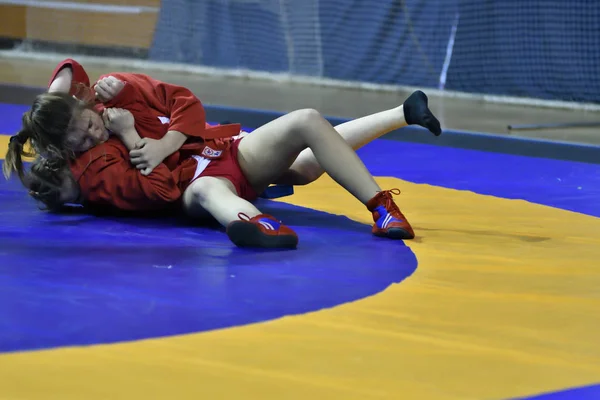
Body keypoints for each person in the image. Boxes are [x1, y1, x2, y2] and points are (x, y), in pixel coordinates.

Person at [5, 59, 442, 249]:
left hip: (220, 150)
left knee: (306, 130)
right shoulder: (96, 168)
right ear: (65, 154)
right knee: (209, 190)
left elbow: (186, 104)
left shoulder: (110, 94)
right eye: (78, 141)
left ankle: (383, 200)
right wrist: (136, 134)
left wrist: (163, 139)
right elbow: (159, 191)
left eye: (86, 124)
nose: (91, 135)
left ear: (83, 103)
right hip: (193, 185)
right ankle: (251, 221)